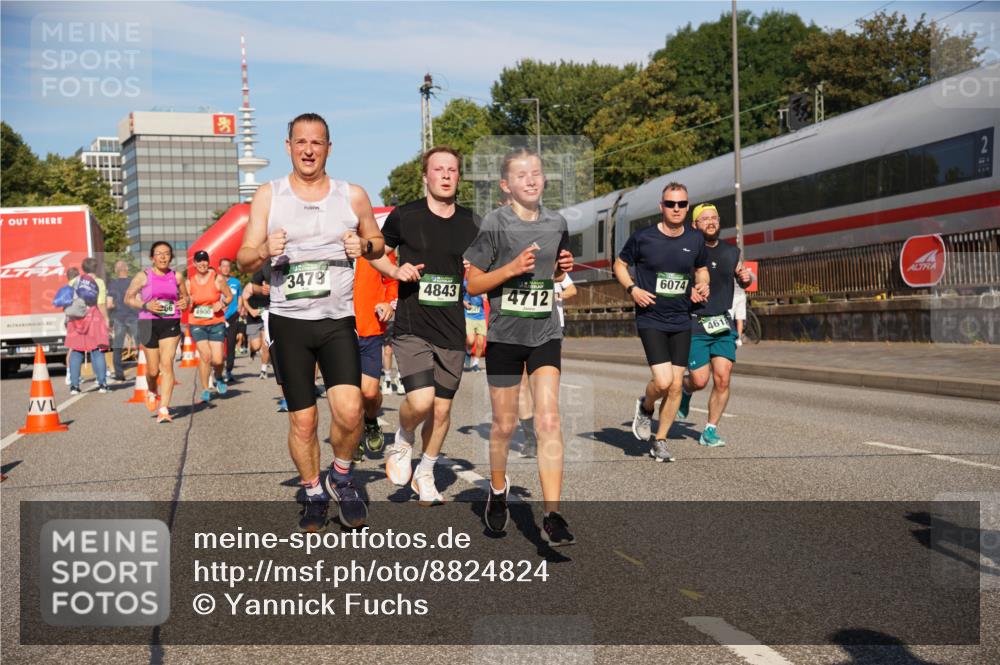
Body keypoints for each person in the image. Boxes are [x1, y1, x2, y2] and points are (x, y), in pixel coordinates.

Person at [237, 112, 384, 532]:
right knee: (303, 420)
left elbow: (378, 242)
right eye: (300, 142)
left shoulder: (351, 195)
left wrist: (364, 243)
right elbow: (244, 256)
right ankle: (314, 491)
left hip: (337, 319)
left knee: (351, 410)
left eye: (316, 142)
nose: (308, 149)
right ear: (287, 146)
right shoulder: (270, 195)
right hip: (289, 323)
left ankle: (340, 474)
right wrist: (264, 247)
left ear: (328, 148)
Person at [465, 147, 576, 545]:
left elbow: (555, 273)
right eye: (521, 175)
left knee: (548, 420)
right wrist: (511, 269)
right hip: (505, 337)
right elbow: (474, 283)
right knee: (504, 425)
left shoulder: (556, 221)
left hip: (545, 331)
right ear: (506, 185)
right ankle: (497, 490)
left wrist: (562, 269)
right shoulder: (496, 222)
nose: (531, 180)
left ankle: (552, 514)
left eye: (537, 174)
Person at [369, 146, 479, 507]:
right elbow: (376, 252)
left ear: (457, 177)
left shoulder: (471, 222)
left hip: (452, 326)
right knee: (421, 401)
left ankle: (427, 472)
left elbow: (483, 270)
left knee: (443, 411)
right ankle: (403, 438)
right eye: (438, 169)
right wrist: (394, 271)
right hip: (413, 325)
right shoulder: (405, 216)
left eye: (452, 170)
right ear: (425, 176)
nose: (446, 175)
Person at [614, 182, 709, 462]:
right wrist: (632, 289)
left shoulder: (695, 239)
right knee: (664, 381)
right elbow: (619, 265)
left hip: (681, 318)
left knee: (678, 386)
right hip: (651, 318)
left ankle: (660, 440)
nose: (676, 209)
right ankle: (645, 407)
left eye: (681, 204)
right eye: (670, 204)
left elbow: (701, 268)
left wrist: (703, 284)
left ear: (687, 206)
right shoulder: (643, 238)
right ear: (661, 207)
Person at [677, 203, 753, 446]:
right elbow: (673, 281)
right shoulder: (686, 251)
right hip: (695, 323)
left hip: (722, 322)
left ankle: (710, 430)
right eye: (705, 218)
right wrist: (689, 292)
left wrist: (746, 278)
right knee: (699, 380)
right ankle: (686, 392)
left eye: (714, 218)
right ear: (695, 225)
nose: (711, 222)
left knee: (723, 378)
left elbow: (746, 279)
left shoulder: (732, 252)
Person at [126, 241, 189, 423]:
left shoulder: (177, 276)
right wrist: (145, 305)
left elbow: (186, 297)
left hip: (170, 322)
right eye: (159, 253)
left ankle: (164, 408)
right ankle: (152, 389)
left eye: (167, 253)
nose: (163, 257)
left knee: (167, 364)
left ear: (171, 257)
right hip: (148, 324)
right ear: (152, 257)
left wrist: (185, 303)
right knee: (153, 371)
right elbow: (128, 298)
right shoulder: (143, 276)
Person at [353, 248, 398, 460]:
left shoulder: (377, 246)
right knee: (348, 396)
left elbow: (392, 280)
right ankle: (351, 439)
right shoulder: (326, 241)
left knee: (369, 393)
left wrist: (389, 303)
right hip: (336, 330)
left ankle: (371, 420)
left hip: (369, 328)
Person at [187, 250, 234, 403]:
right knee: (206, 356)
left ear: (208, 262)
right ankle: (206, 388)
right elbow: (185, 303)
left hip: (216, 321)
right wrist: (189, 301)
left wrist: (221, 303)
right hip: (197, 323)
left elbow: (229, 296)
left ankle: (219, 377)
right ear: (194, 264)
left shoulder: (217, 279)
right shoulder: (189, 282)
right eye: (199, 261)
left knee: (218, 360)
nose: (202, 263)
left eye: (205, 260)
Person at [65, 257, 111, 395]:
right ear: (95, 268)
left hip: (76, 319)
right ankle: (102, 384)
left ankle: (74, 386)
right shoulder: (99, 282)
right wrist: (107, 319)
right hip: (94, 317)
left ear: (83, 269)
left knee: (76, 351)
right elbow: (101, 304)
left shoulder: (74, 281)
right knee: (97, 350)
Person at [107, 260, 140, 383]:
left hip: (119, 318)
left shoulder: (112, 284)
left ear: (116, 271)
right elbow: (138, 299)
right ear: (126, 269)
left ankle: (120, 375)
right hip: (133, 317)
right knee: (139, 345)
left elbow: (109, 304)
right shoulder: (133, 283)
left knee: (118, 347)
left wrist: (115, 305)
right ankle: (144, 369)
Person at [219, 258, 242, 382]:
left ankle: (228, 371)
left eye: (228, 266)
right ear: (219, 268)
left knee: (231, 345)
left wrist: (239, 308)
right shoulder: (215, 281)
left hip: (232, 316)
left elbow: (240, 297)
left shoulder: (236, 282)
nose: (226, 268)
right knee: (217, 346)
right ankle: (216, 371)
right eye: (224, 266)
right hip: (218, 316)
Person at [463, 274, 486, 372]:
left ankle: (475, 364)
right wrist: (464, 303)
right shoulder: (465, 284)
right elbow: (461, 296)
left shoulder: (483, 286)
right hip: (469, 316)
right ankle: (467, 352)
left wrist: (486, 294)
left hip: (481, 317)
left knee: (481, 342)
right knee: (471, 341)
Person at [62, 267, 80, 385]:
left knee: (72, 348)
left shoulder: (65, 289)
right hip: (78, 320)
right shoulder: (77, 287)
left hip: (68, 319)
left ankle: (70, 374)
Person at [731, 283, 747, 347]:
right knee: (740, 318)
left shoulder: (730, 273)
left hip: (732, 296)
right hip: (741, 295)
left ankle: (730, 336)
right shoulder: (742, 274)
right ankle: (739, 339)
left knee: (729, 318)